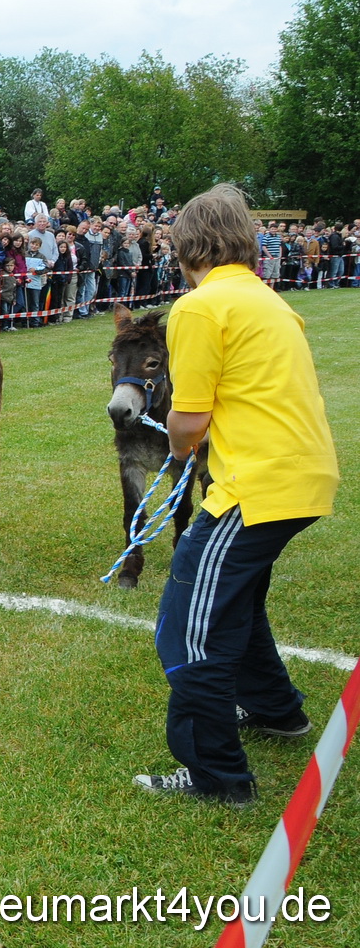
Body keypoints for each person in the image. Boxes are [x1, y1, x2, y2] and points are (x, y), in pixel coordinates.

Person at [134, 184, 340, 804]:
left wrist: (173, 449)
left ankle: (216, 775)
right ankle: (277, 709)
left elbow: (189, 422)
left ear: (184, 244)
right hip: (302, 477)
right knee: (237, 600)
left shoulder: (200, 307)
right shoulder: (266, 299)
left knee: (188, 627)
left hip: (257, 484)